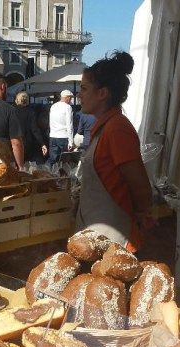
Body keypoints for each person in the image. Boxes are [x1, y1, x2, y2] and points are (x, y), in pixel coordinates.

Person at [76, 51, 152, 251]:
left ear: (103, 93)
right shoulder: (104, 127)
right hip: (100, 234)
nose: (79, 94)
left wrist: (142, 214)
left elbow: (140, 185)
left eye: (84, 88)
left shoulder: (117, 128)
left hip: (117, 239)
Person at [14, 91, 48, 163]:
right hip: (28, 142)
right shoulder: (31, 112)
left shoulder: (13, 112)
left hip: (15, 141)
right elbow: (35, 129)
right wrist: (42, 143)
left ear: (17, 100)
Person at [47, 89, 74, 164]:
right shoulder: (68, 107)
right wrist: (71, 141)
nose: (71, 100)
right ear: (67, 98)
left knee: (52, 159)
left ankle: (46, 171)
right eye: (70, 98)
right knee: (64, 162)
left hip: (53, 136)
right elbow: (69, 124)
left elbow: (50, 122)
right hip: (63, 136)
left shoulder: (53, 106)